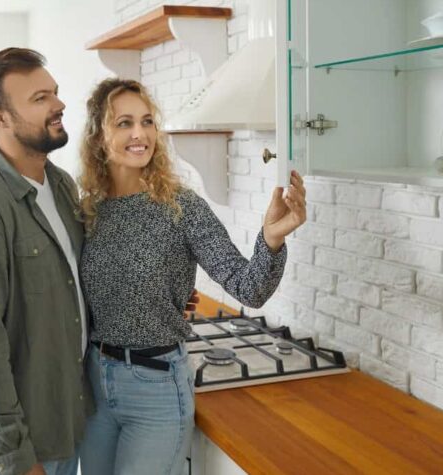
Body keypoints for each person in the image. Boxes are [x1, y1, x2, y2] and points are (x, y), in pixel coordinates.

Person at [76, 78, 306, 474]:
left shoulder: (181, 206)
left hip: (156, 388)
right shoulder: (86, 211)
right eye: (124, 123)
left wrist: (270, 239)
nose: (139, 134)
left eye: (147, 122)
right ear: (99, 137)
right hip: (94, 384)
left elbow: (248, 288)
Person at [0, 47, 89, 475]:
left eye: (55, 93)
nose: (59, 105)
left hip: (65, 420)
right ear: (0, 118)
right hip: (19, 446)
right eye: (40, 98)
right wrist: (14, 457)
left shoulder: (61, 186)